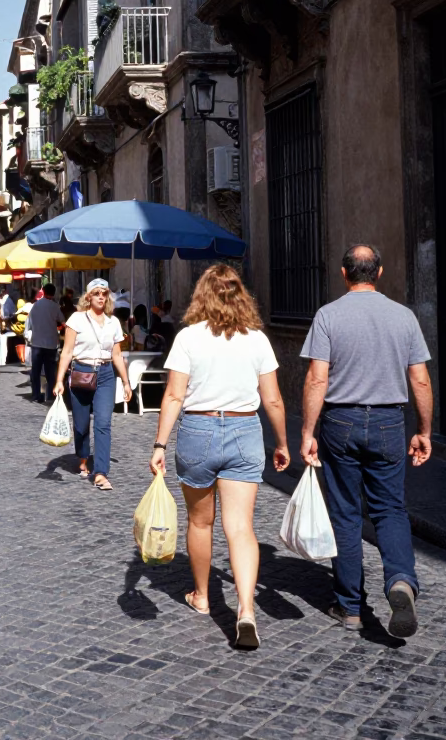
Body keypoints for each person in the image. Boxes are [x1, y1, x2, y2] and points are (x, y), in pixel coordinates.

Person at [149, 264, 289, 649]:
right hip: (245, 430)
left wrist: (160, 444)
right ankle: (245, 609)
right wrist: (282, 442)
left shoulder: (189, 338)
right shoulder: (257, 339)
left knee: (200, 522)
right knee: (241, 527)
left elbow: (174, 395)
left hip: (199, 430)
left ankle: (203, 595)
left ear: (202, 295)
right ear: (241, 295)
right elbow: (272, 399)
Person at [300, 244, 433, 639]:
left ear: (344, 273)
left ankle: (350, 606)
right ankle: (400, 580)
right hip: (391, 421)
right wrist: (424, 430)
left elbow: (316, 379)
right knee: (390, 509)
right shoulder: (404, 316)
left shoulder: (328, 315)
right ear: (379, 272)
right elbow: (420, 379)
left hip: (340, 420)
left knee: (345, 513)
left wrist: (307, 432)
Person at [54, 280, 133, 490]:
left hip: (106, 374)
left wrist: (126, 382)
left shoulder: (113, 323)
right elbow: (67, 351)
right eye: (96, 293)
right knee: (81, 425)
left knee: (103, 423)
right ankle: (82, 456)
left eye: (104, 293)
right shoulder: (77, 319)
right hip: (81, 372)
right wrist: (59, 380)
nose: (100, 297)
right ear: (88, 297)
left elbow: (117, 355)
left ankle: (100, 472)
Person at [27, 283, 65, 403]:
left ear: (43, 291)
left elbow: (29, 324)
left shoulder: (35, 306)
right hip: (50, 343)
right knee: (50, 371)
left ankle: (36, 394)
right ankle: (51, 394)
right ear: (53, 293)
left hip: (37, 342)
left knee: (36, 371)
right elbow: (63, 322)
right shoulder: (55, 307)